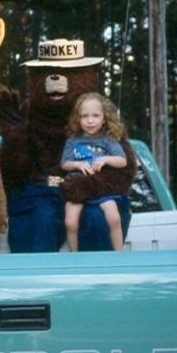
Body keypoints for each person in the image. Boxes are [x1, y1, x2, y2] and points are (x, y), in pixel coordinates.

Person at [60, 92, 128, 251]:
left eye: (95, 116)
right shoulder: (73, 140)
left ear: (104, 118)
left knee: (114, 218)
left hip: (101, 188)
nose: (90, 121)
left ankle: (119, 255)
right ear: (78, 118)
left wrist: (106, 159)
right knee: (70, 221)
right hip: (78, 188)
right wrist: (77, 164)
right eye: (85, 116)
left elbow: (122, 161)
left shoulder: (108, 139)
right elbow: (64, 164)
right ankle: (74, 257)